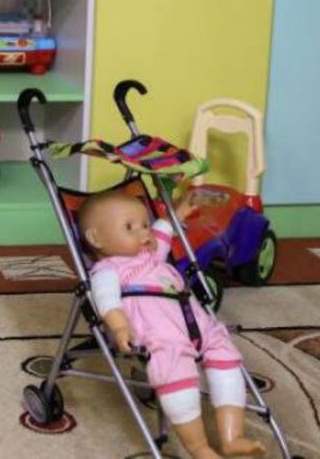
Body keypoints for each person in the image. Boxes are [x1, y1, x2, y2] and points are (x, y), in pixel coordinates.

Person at [78, 191, 265, 458]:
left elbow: (165, 225)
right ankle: (200, 448)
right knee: (176, 374)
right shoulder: (108, 270)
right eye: (130, 227)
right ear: (96, 238)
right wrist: (119, 327)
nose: (144, 232)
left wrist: (186, 206)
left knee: (226, 356)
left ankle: (232, 437)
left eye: (144, 224)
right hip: (160, 335)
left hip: (196, 323)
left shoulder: (154, 253)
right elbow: (106, 300)